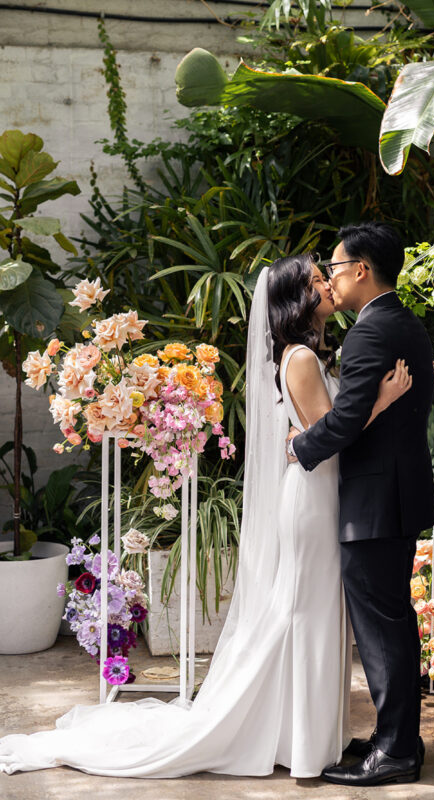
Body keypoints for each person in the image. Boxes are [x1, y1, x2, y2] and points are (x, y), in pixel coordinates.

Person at [0, 253, 411, 779]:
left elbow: (309, 436)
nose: (328, 285)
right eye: (316, 281)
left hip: (317, 495)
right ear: (298, 299)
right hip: (313, 499)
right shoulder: (302, 360)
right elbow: (331, 438)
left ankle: (303, 736)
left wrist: (302, 440)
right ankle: (301, 742)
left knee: (307, 613)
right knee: (303, 614)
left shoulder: (302, 355)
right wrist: (380, 399)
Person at [288, 222, 434, 787]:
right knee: (392, 624)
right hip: (393, 498)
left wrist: (299, 447)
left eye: (334, 266)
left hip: (376, 502)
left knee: (382, 629)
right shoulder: (401, 323)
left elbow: (349, 419)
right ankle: (395, 737)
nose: (329, 277)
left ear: (362, 271)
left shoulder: (371, 333)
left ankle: (396, 750)